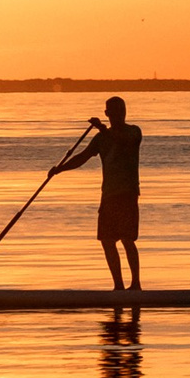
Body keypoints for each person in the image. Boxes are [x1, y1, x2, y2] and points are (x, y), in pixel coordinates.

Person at [54, 95, 143, 289]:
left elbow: (122, 141)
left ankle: (136, 285)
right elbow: (83, 157)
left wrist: (102, 129)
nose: (120, 115)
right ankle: (118, 286)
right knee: (107, 241)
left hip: (127, 194)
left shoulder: (133, 132)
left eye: (122, 111)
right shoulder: (101, 138)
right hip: (108, 195)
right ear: (107, 114)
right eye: (115, 112)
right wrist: (60, 169)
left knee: (127, 239)